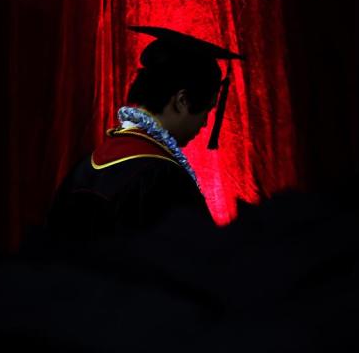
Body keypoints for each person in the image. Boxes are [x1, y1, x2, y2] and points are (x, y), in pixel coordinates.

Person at [45, 26, 244, 240]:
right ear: (182, 101)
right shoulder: (164, 179)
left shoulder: (85, 168)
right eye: (207, 110)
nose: (205, 123)